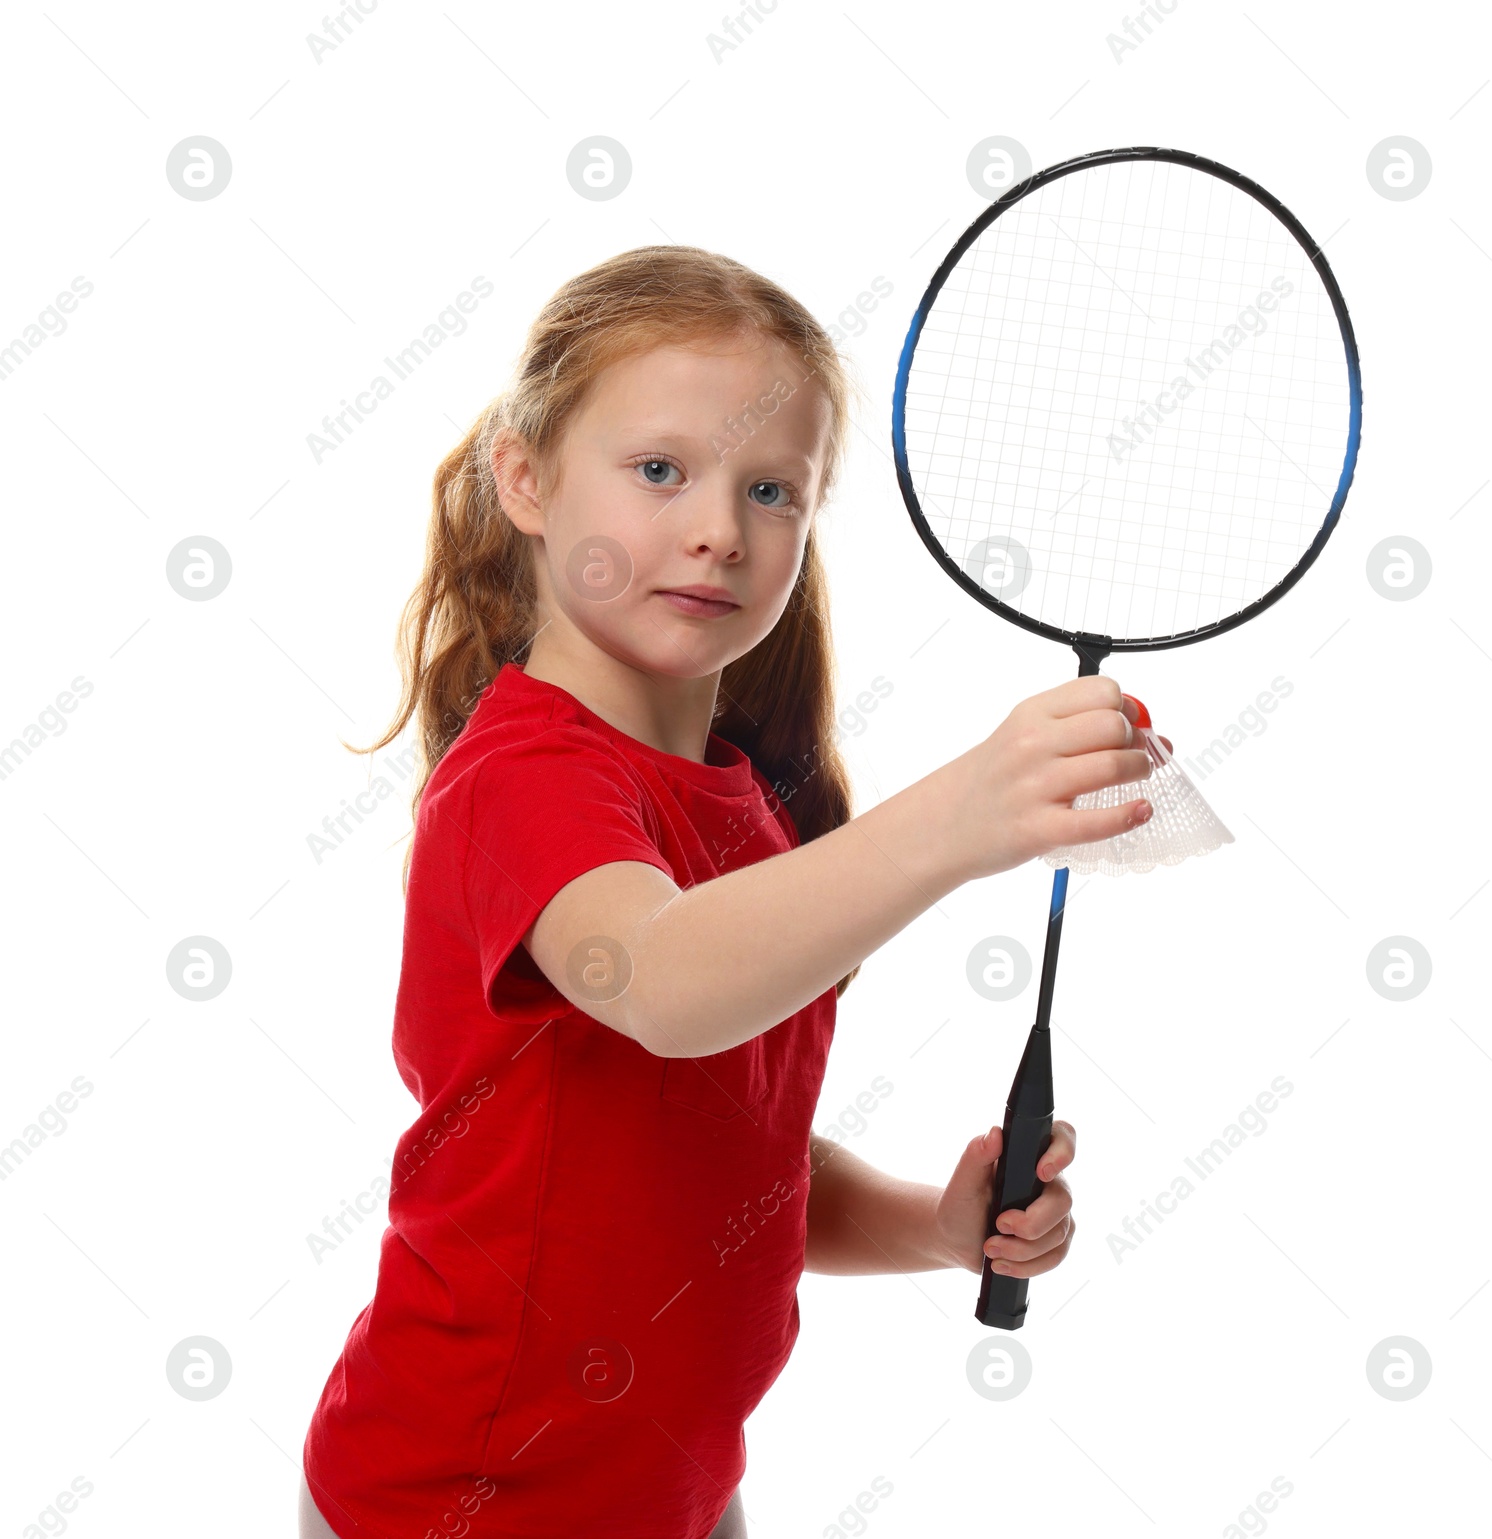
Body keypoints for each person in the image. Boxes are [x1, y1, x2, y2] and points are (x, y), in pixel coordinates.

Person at [298, 244, 1157, 1538]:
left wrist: (937, 1223)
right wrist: (965, 812)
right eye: (660, 471)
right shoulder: (524, 779)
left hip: (675, 1498)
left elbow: (735, 1165)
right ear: (525, 479)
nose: (718, 527)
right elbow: (659, 982)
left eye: (771, 489)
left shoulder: (744, 811)